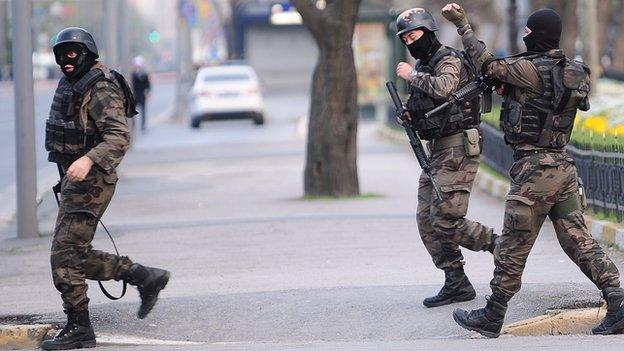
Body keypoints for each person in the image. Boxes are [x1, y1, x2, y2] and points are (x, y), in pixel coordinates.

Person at [442, 3, 624, 338]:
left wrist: (463, 25)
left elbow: (487, 63)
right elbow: (560, 100)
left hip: (534, 173)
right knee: (578, 240)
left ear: (537, 35)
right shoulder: (576, 72)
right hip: (562, 167)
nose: (524, 36)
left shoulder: (527, 70)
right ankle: (617, 300)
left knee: (513, 243)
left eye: (528, 31)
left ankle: (493, 314)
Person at [41, 27, 170, 350]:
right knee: (73, 255)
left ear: (87, 53)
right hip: (75, 181)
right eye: (61, 54)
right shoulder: (73, 83)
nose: (66, 60)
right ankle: (144, 276)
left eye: (72, 53)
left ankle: (80, 327)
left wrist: (87, 161)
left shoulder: (101, 86)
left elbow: (118, 137)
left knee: (64, 256)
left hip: (93, 180)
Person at [394, 8, 498, 308]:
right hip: (438, 149)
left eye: (414, 36)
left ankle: (501, 245)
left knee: (446, 219)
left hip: (458, 148)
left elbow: (445, 88)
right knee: (426, 220)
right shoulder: (426, 63)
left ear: (428, 33)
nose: (411, 42)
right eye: (406, 38)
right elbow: (430, 109)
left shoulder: (447, 60)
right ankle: (456, 281)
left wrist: (412, 76)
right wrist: (410, 116)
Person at [131, 55, 151, 132]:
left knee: (143, 111)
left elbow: (148, 85)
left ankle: (143, 125)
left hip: (142, 95)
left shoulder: (144, 74)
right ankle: (133, 125)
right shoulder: (132, 74)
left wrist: (148, 91)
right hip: (134, 95)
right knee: (132, 112)